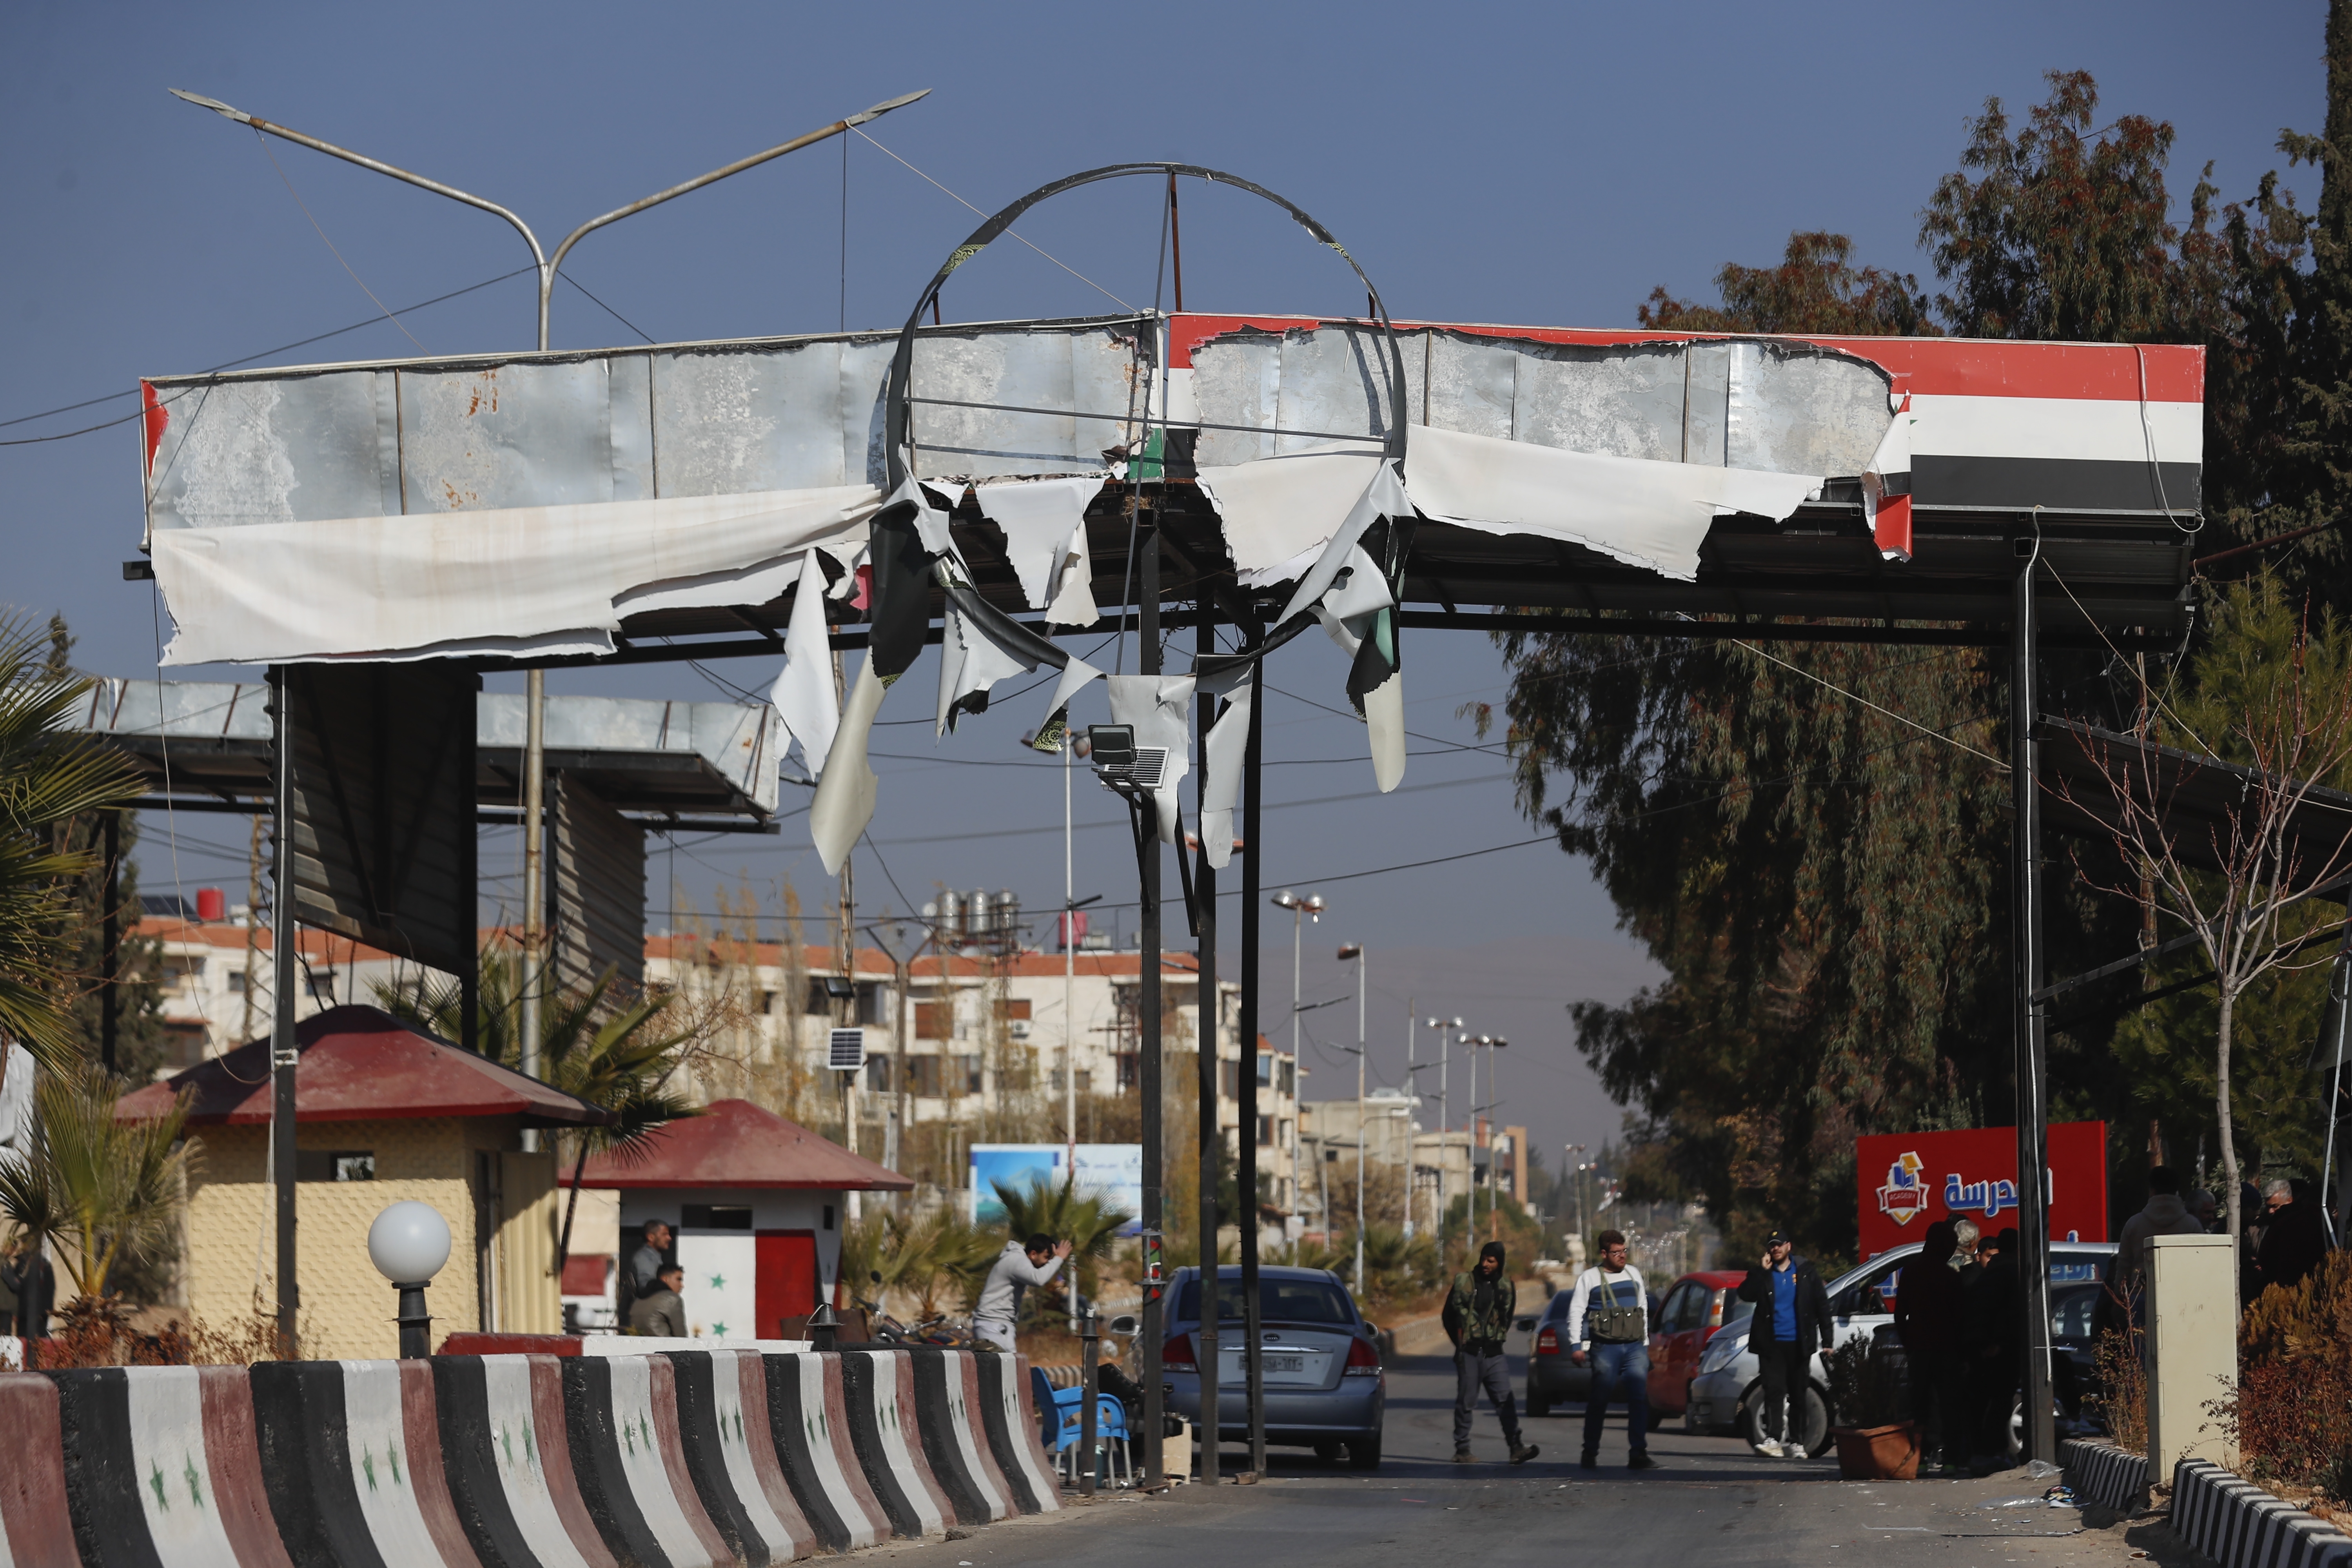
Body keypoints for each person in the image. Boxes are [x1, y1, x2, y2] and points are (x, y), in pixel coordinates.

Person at [1737, 1229, 1831, 1458]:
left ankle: (1797, 1442)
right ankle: (1773, 1439)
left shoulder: (1806, 1273)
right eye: (1772, 1245)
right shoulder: (1764, 1274)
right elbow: (1746, 1294)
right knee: (1773, 1391)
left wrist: (1827, 1340)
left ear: (1789, 1246)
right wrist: (1762, 1270)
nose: (1775, 1249)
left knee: (1799, 1393)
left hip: (1800, 1342)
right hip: (1772, 1344)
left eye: (1779, 1245)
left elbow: (1822, 1307)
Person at [1446, 1240, 1541, 1466]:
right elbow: (1448, 1316)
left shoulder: (1506, 1286)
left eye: (1492, 1260)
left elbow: (1506, 1319)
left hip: (1494, 1354)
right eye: (1484, 1259)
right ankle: (1462, 1449)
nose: (1487, 1264)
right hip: (1469, 1352)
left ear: (1500, 1262)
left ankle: (1516, 1448)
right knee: (1466, 1402)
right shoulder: (1465, 1282)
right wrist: (1460, 1345)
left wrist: (1493, 1341)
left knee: (1505, 1400)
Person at [1561, 1231, 1649, 1470]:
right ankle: (1590, 1452)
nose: (1622, 1256)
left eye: (1624, 1251)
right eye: (1616, 1252)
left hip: (1634, 1346)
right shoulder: (1589, 1278)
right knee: (1600, 1400)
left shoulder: (1633, 1273)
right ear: (1604, 1254)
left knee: (1639, 1399)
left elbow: (1642, 1307)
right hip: (1605, 1348)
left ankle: (1639, 1453)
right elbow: (1576, 1312)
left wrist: (1646, 1341)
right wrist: (1576, 1346)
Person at [1893, 1219, 1967, 1474]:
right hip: (1947, 1350)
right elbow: (1961, 1318)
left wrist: (1909, 1343)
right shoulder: (1951, 1277)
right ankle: (1950, 1459)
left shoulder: (1911, 1273)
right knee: (1949, 1405)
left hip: (1919, 1350)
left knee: (1920, 1405)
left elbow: (1900, 1313)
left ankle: (1921, 1458)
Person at [1961, 1226, 2023, 1469]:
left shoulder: (1988, 1273)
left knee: (1982, 1401)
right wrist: (1996, 1343)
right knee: (2000, 1400)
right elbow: (2006, 1312)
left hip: (1981, 1347)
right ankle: (1992, 1452)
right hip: (2000, 1348)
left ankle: (1980, 1452)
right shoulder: (2011, 1272)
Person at [974, 1232, 1071, 1353]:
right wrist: (1059, 1259)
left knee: (1010, 1368)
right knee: (999, 1368)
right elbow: (1038, 1279)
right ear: (1033, 1254)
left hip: (1001, 1324)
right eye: (1046, 1258)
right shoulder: (1016, 1260)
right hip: (992, 1324)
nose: (1047, 1263)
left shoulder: (1018, 1259)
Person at [2116, 1167, 2205, 1289]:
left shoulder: (2134, 1224)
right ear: (2176, 1191)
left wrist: (2119, 1298)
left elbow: (2123, 1267)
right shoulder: (2192, 1225)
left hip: (2141, 1295)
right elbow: (2202, 1266)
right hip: (2183, 1296)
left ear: (2152, 1191)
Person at [2254, 1178, 2328, 1295]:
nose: (2270, 1211)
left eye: (2275, 1206)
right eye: (2268, 1207)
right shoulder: (2270, 1222)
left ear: (2290, 1200)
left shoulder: (2293, 1221)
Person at [0, 1236, 54, 1340]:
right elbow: (16, 1286)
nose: (14, 1251)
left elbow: (49, 1289)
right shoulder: (9, 1264)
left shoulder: (43, 1266)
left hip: (33, 1313)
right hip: (18, 1312)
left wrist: (46, 1310)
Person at [630, 1263, 687, 1338]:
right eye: (679, 1280)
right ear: (665, 1279)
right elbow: (681, 1336)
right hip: (664, 1346)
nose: (682, 1285)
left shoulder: (638, 1299)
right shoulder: (673, 1299)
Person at [625, 1219, 673, 1303]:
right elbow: (646, 1286)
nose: (669, 1238)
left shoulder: (654, 1256)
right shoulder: (644, 1257)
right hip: (649, 1309)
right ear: (651, 1237)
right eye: (664, 1234)